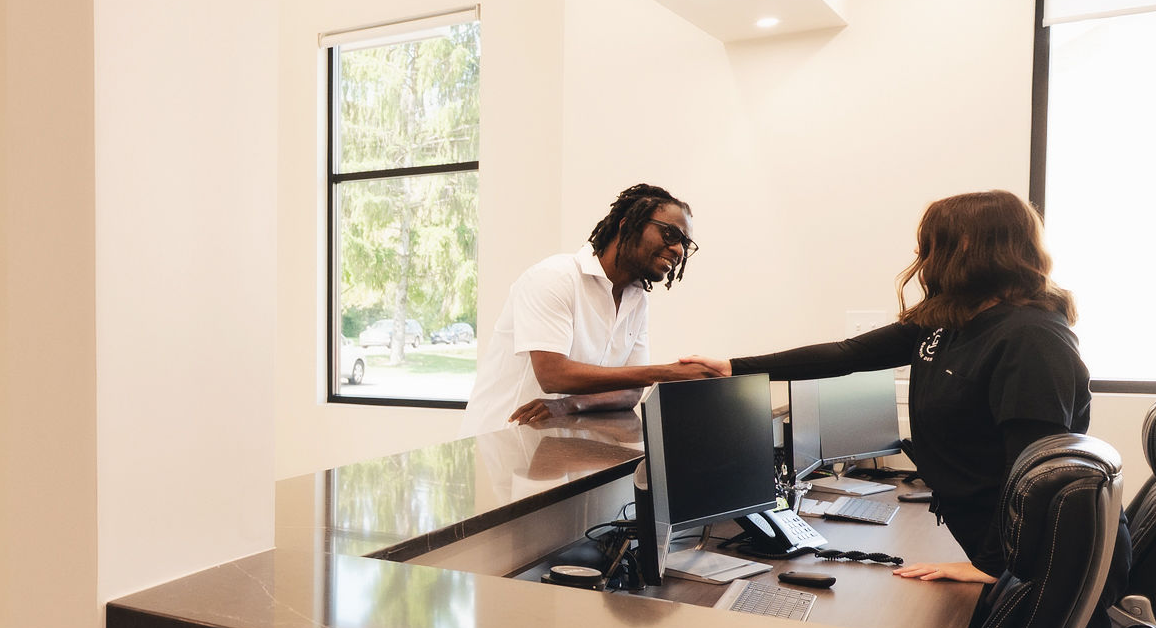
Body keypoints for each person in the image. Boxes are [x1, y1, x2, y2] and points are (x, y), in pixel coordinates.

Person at [723, 189, 1092, 586]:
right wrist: (732, 368)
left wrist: (992, 565)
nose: (923, 261)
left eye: (932, 248)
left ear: (968, 248)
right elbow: (847, 355)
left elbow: (1034, 474)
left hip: (1042, 566)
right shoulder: (950, 321)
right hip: (1000, 551)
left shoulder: (1031, 337)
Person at [468, 183, 726, 429]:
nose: (678, 250)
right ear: (627, 226)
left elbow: (631, 391)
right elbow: (552, 375)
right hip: (503, 442)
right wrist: (665, 373)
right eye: (671, 234)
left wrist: (569, 405)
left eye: (685, 243)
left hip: (559, 448)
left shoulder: (637, 299)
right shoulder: (554, 277)